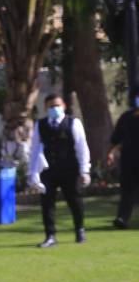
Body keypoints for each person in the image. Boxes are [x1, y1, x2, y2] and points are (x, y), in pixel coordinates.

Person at [29, 94, 90, 248]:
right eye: (51, 106)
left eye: (57, 105)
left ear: (63, 105)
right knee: (47, 203)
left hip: (70, 169)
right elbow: (35, 149)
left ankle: (80, 230)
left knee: (74, 200)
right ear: (46, 108)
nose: (54, 109)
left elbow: (81, 147)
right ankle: (50, 235)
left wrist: (84, 170)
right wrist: (33, 173)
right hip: (48, 170)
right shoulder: (40, 125)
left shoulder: (73, 123)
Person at [107, 95, 139, 228]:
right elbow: (116, 138)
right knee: (127, 190)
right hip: (129, 159)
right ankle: (122, 218)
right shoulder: (126, 117)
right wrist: (111, 153)